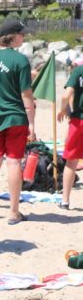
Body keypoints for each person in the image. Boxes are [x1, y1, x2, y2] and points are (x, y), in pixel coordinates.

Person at [0, 18, 36, 225]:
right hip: (15, 117)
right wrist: (32, 123)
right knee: (13, 161)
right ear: (12, 36)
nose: (24, 37)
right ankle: (13, 212)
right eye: (22, 34)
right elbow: (26, 95)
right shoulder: (19, 61)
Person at [57, 58, 83, 210]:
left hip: (79, 121)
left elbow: (65, 96)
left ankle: (65, 201)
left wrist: (62, 110)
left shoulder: (78, 71)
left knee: (71, 162)